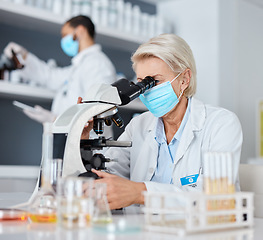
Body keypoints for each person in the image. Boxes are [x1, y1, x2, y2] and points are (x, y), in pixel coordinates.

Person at [79, 33, 243, 210]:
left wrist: (140, 193)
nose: (147, 91)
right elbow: (105, 179)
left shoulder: (222, 124)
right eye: (142, 83)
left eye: (155, 81)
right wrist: (81, 141)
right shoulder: (138, 126)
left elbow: (215, 198)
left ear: (184, 80)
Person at [4, 15, 116, 124]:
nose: (63, 40)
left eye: (65, 35)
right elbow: (49, 76)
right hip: (71, 138)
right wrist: (24, 55)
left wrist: (55, 119)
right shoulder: (78, 67)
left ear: (80, 31)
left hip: (86, 141)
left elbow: (97, 114)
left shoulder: (97, 64)